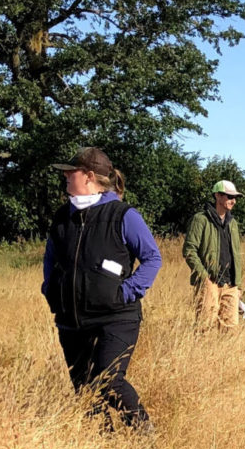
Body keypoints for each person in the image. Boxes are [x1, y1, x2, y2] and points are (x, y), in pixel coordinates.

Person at [42, 147, 162, 434]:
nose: (66, 177)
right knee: (84, 388)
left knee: (108, 378)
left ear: (90, 176)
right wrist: (50, 289)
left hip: (116, 317)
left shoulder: (123, 215)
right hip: (71, 319)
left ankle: (144, 434)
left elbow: (152, 258)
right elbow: (50, 258)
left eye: (71, 172)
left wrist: (125, 292)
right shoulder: (63, 216)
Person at [182, 180, 244, 330]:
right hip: (210, 283)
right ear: (217, 196)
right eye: (229, 196)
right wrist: (204, 278)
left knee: (230, 330)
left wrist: (238, 285)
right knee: (205, 328)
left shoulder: (233, 223)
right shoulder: (200, 219)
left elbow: (236, 254)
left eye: (234, 197)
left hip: (231, 284)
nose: (233, 201)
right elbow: (189, 250)